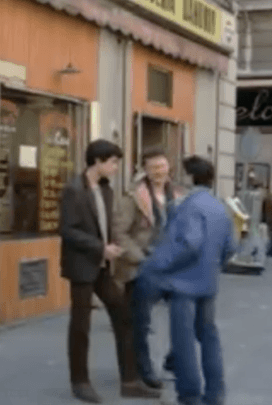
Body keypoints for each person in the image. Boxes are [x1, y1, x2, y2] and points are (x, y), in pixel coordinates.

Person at [59, 139, 159, 403]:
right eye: (113, 162)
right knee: (80, 326)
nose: (116, 167)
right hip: (82, 266)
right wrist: (99, 248)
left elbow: (108, 225)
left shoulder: (106, 190)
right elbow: (68, 230)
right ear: (98, 161)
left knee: (123, 317)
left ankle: (130, 381)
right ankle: (80, 381)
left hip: (103, 267)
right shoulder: (73, 189)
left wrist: (115, 247)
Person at [135, 155, 236, 405]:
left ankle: (189, 394)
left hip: (183, 284)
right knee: (209, 337)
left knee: (184, 342)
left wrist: (160, 264)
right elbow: (231, 245)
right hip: (208, 282)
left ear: (191, 177)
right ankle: (215, 393)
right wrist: (214, 266)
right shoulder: (218, 205)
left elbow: (190, 244)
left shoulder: (189, 206)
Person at [112, 146, 184, 389]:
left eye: (162, 167)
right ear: (144, 170)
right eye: (153, 168)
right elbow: (120, 233)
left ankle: (173, 363)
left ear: (169, 167)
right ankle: (145, 371)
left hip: (173, 267)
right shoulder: (132, 196)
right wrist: (141, 259)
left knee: (185, 315)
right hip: (143, 267)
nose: (158, 172)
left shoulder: (179, 194)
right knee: (140, 324)